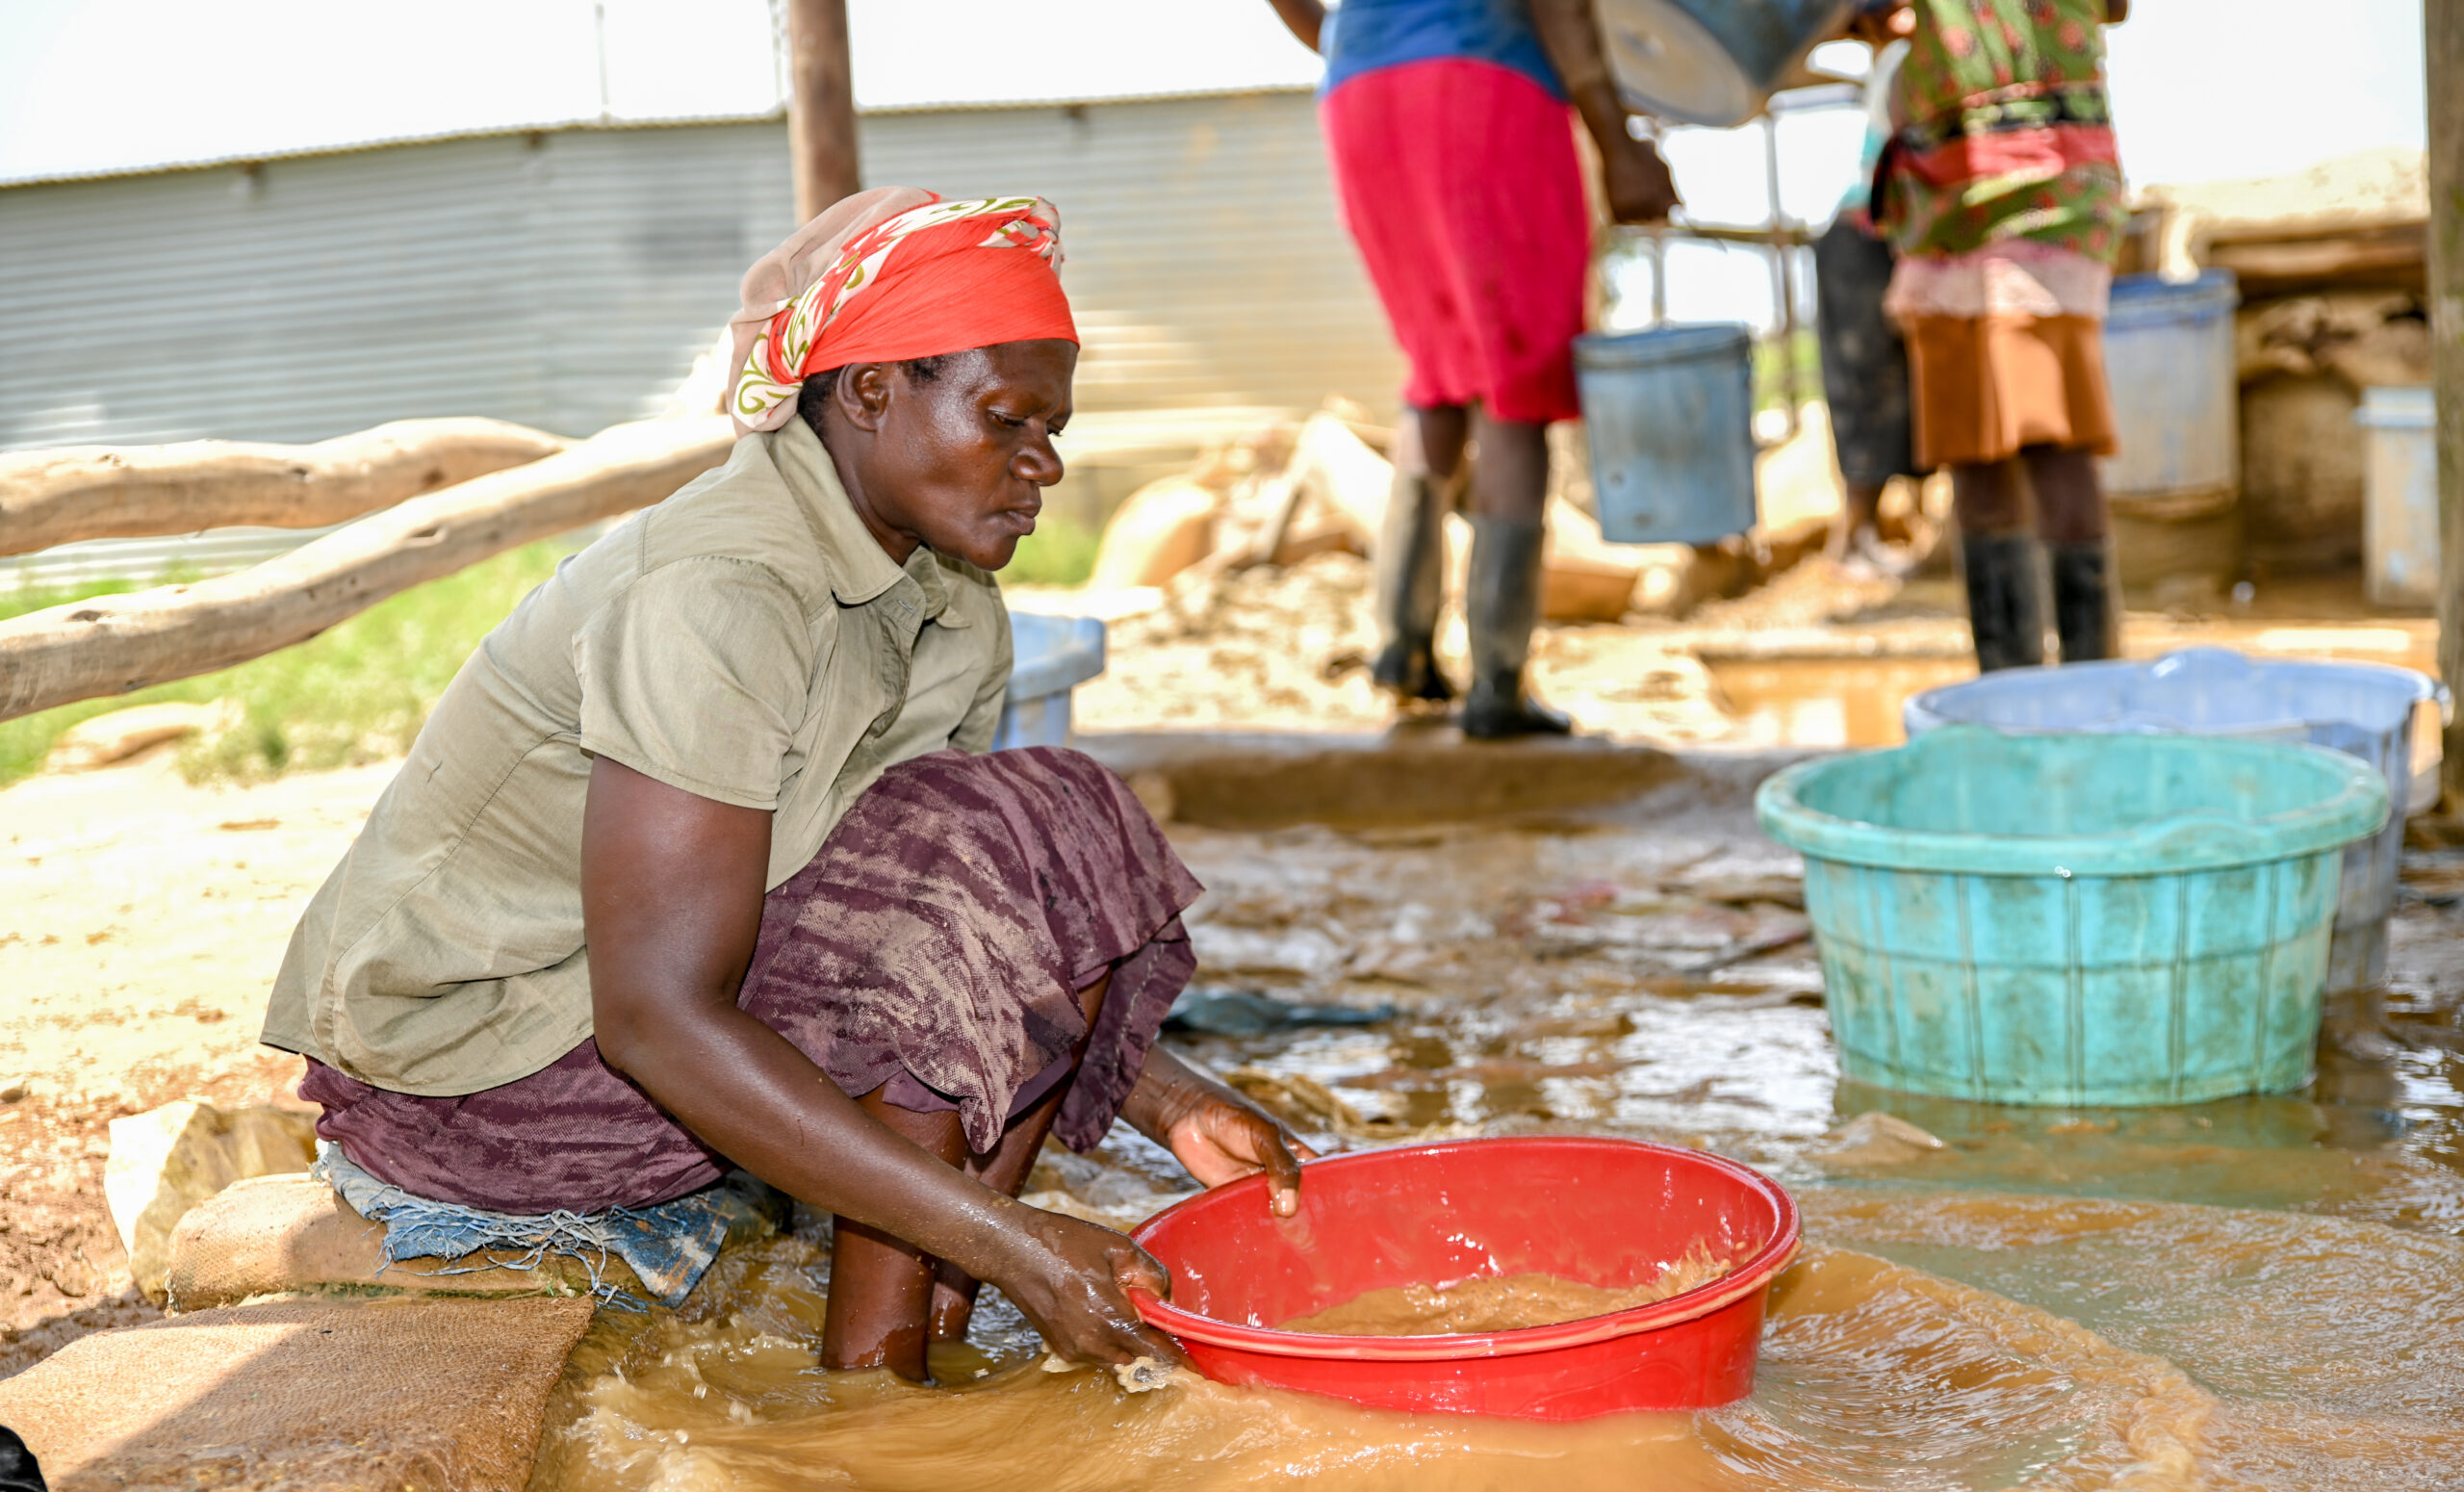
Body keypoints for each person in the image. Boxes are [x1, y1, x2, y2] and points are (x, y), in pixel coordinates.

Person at [261, 188, 1310, 1383]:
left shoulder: (949, 599)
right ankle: (876, 1392)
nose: (1047, 465)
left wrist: (1171, 1104)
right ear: (869, 391)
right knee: (974, 856)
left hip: (640, 1047)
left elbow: (979, 920)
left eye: (1054, 427)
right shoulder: (716, 591)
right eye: (1009, 418)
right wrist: (1015, 1239)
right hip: (486, 1082)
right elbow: (654, 1015)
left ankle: (926, 1343)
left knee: (1059, 825)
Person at [1268, 0, 1681, 736]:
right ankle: (1498, 682)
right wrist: (1619, 143)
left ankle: (1403, 650)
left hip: (1362, 94)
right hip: (1479, 86)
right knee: (1519, 383)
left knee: (1437, 375)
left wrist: (1350, 36)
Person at [1875, 0, 2131, 670]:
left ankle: (2091, 696)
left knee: (2054, 443)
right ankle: (2008, 700)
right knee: (1976, 457)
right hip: (1944, 192)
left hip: (2043, 188)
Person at [1815, 3, 1926, 573]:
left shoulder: (1906, 58)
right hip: (1874, 239)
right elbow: (1904, 165)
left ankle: (1867, 534)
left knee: (1896, 384)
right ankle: (1855, 534)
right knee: (1869, 383)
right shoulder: (1911, 60)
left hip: (1889, 237)